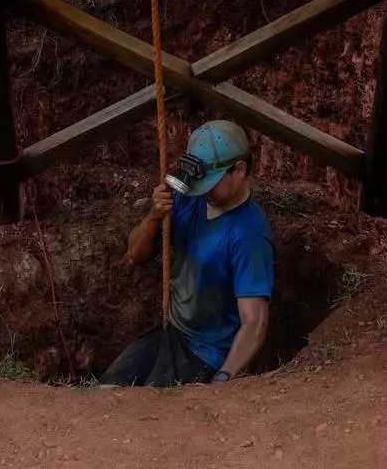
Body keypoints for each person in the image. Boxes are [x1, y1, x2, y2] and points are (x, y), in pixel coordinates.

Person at [100, 121, 275, 386]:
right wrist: (154, 215)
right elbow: (135, 256)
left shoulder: (248, 235)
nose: (203, 192)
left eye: (210, 184)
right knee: (108, 389)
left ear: (238, 170)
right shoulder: (189, 196)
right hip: (172, 332)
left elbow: (254, 322)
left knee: (147, 411)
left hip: (207, 352)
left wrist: (224, 377)